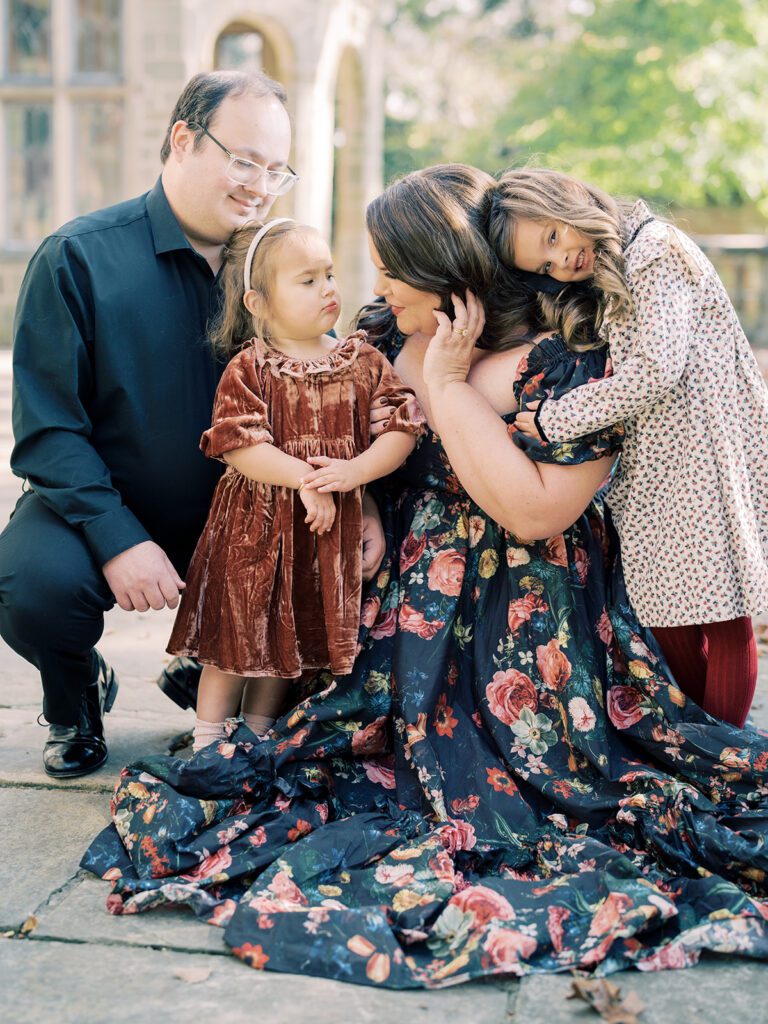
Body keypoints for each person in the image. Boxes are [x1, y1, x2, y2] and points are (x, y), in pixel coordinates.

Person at [83, 165, 768, 989]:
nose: (373, 286)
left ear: (451, 275)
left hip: (525, 602)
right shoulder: (379, 332)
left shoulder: (565, 360)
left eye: (391, 268)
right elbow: (334, 430)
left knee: (534, 790)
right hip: (404, 595)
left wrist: (444, 385)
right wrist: (366, 501)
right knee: (315, 753)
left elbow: (534, 512)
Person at [0, 68, 386, 779]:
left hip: (261, 513)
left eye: (276, 170)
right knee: (32, 586)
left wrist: (365, 503)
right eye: (244, 160)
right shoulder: (78, 258)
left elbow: (344, 396)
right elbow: (47, 433)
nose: (260, 184)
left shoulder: (283, 264)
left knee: (359, 582)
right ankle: (76, 696)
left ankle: (210, 664)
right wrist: (118, 541)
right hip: (118, 508)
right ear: (183, 139)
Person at [491, 167, 768, 727]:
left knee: (721, 612)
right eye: (544, 264)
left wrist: (555, 418)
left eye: (552, 238)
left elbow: (654, 369)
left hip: (707, 450)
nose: (561, 260)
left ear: (567, 199)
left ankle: (727, 752)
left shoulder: (654, 249)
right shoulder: (611, 270)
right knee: (664, 611)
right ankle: (702, 742)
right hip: (656, 457)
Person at [169, 218, 423, 752]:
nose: (328, 288)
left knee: (289, 635)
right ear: (258, 303)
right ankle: (208, 739)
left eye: (328, 274)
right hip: (254, 529)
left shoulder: (362, 361)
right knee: (235, 634)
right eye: (306, 280)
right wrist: (304, 478)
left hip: (319, 532)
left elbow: (401, 427)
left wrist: (356, 472)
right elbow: (238, 443)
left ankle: (260, 735)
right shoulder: (251, 367)